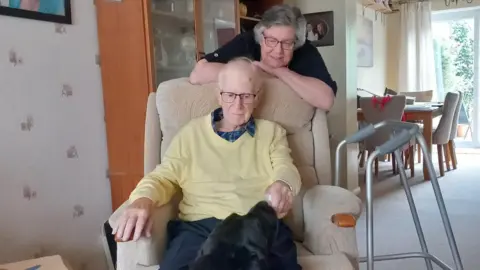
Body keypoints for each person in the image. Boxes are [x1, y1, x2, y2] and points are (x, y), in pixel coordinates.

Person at [113, 58, 302, 270]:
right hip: (200, 227)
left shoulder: (272, 132)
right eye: (230, 95)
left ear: (257, 97)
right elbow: (163, 176)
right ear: (219, 95)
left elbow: (285, 167)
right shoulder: (190, 134)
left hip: (255, 225)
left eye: (246, 96)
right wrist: (143, 200)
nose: (237, 105)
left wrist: (282, 184)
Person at [189, 4, 337, 111]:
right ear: (261, 37)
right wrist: (257, 73)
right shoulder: (247, 41)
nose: (278, 51)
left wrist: (280, 73)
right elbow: (198, 74)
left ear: (296, 42)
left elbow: (326, 100)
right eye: (271, 41)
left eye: (287, 43)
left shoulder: (305, 50)